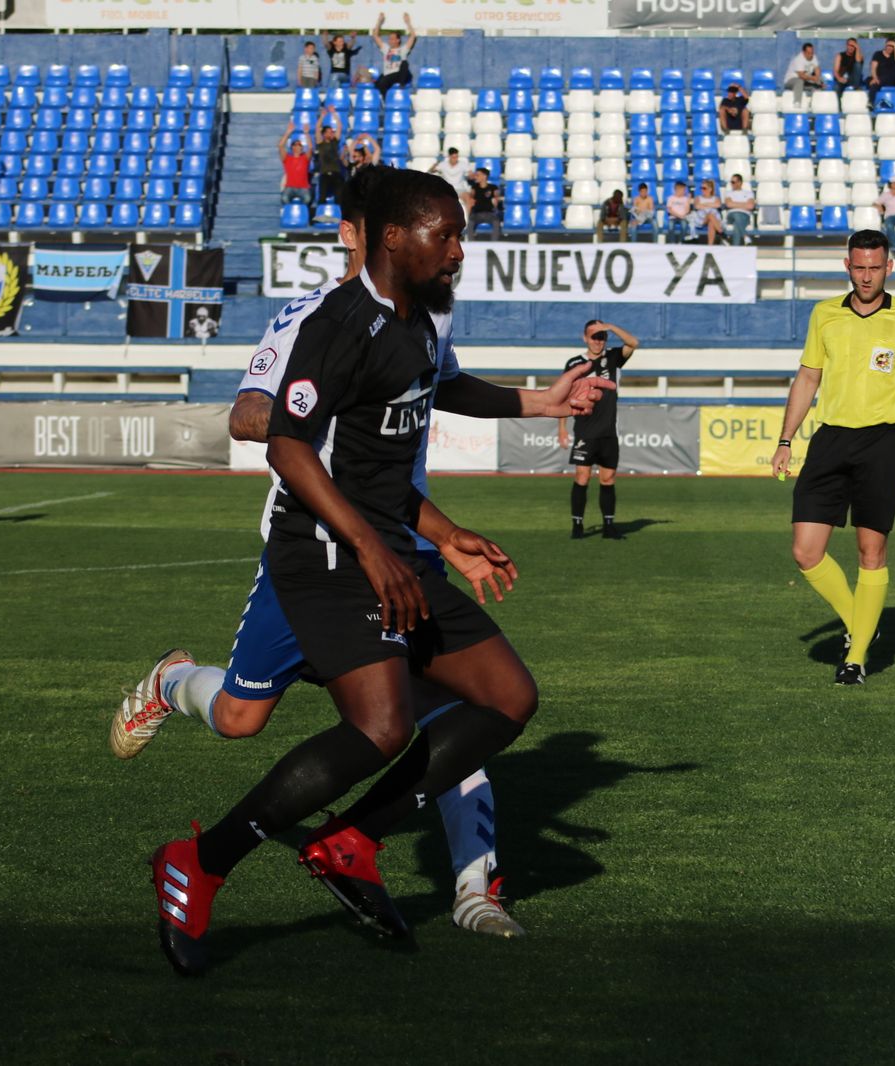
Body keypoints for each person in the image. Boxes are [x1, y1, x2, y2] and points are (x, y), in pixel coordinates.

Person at [119, 167, 611, 945]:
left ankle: (357, 842)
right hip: (324, 551)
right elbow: (283, 438)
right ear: (388, 235)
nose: (458, 251)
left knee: (506, 697)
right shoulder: (335, 322)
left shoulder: (422, 320)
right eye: (444, 235)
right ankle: (201, 860)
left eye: (460, 234)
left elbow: (404, 433)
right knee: (369, 726)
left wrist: (448, 531)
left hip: (390, 545)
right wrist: (375, 550)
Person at [770, 229, 895, 687]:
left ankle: (856, 658)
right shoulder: (824, 314)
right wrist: (786, 439)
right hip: (829, 442)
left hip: (882, 446)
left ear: (889, 268)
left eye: (875, 267)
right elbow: (807, 378)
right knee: (805, 552)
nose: (866, 276)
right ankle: (860, 622)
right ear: (846, 266)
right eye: (859, 267)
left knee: (872, 553)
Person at [558, 319, 642, 540]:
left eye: (601, 336)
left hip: (608, 432)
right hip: (585, 430)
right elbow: (563, 396)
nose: (598, 341)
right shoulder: (575, 363)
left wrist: (612, 327)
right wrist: (562, 428)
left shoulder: (613, 358)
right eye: (594, 336)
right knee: (582, 477)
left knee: (608, 478)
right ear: (585, 338)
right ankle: (577, 525)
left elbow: (634, 342)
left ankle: (608, 526)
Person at [372, 13, 417, 95]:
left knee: (404, 63)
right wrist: (379, 21)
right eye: (389, 39)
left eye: (393, 39)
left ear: (398, 40)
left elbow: (413, 36)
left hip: (399, 75)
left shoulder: (403, 49)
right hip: (388, 75)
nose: (390, 40)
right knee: (379, 83)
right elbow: (375, 35)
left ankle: (402, 85)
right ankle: (385, 101)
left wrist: (408, 22)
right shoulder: (386, 49)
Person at [314, 108, 347, 207]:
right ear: (324, 134)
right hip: (324, 174)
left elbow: (339, 126)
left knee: (339, 197)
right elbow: (317, 128)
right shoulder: (321, 143)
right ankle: (320, 217)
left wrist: (333, 113)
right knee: (322, 197)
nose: (331, 133)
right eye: (328, 132)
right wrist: (322, 116)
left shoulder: (335, 142)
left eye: (332, 132)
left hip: (336, 173)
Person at [278, 123, 312, 206]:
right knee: (284, 198)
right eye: (295, 144)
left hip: (303, 188)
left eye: (300, 145)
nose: (298, 146)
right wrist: (288, 132)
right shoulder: (287, 158)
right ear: (292, 147)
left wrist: (306, 133)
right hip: (290, 187)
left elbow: (311, 148)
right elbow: (280, 146)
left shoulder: (305, 158)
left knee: (308, 199)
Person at [866, 38, 895, 107]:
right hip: (880, 78)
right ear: (885, 45)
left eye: (892, 46)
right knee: (873, 82)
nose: (890, 48)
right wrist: (875, 78)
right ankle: (871, 102)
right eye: (889, 46)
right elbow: (873, 67)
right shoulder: (878, 54)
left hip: (892, 79)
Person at [465, 166, 501, 240]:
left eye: (478, 175)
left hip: (490, 214)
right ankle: (471, 244)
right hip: (477, 214)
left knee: (496, 222)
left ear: (484, 176)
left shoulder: (493, 187)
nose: (476, 177)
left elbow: (497, 197)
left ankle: (494, 245)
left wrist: (496, 200)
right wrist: (471, 200)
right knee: (471, 222)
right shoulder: (474, 187)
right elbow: (471, 197)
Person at [784, 42, 823, 109]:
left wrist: (818, 79)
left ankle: (814, 105)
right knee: (799, 81)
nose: (811, 55)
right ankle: (797, 103)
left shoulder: (814, 57)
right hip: (791, 81)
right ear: (804, 52)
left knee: (820, 84)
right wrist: (814, 79)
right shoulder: (798, 59)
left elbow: (817, 69)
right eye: (808, 53)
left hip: (805, 81)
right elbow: (801, 75)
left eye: (812, 52)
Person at [723, 172, 756, 245]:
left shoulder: (748, 193)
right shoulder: (728, 193)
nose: (732, 184)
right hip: (731, 216)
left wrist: (734, 204)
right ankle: (745, 236)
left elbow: (751, 206)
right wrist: (744, 204)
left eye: (733, 182)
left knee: (736, 225)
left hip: (744, 216)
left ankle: (735, 250)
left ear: (740, 182)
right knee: (736, 215)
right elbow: (728, 204)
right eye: (731, 182)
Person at [693, 177, 725, 245]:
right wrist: (711, 205)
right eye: (701, 188)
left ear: (710, 189)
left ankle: (710, 246)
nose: (702, 190)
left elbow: (718, 205)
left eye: (704, 188)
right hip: (702, 218)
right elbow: (697, 206)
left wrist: (704, 205)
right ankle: (722, 234)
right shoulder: (698, 198)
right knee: (710, 215)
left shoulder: (716, 198)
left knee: (711, 223)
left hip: (714, 219)